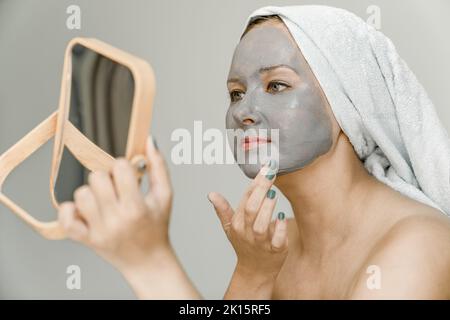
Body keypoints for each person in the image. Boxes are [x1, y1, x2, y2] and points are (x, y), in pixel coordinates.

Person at [58, 6, 450, 299]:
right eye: (236, 93)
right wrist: (252, 274)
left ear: (350, 103)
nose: (242, 111)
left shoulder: (417, 247)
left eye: (277, 85)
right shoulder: (275, 246)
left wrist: (150, 261)